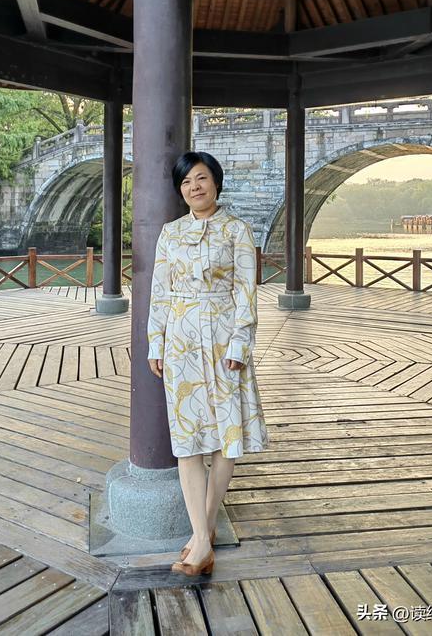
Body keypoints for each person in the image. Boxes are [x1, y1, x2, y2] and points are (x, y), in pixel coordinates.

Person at [147, 150, 268, 577]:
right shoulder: (170, 233)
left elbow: (246, 293)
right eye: (185, 182)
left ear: (216, 181)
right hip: (180, 342)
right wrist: (155, 343)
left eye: (200, 178)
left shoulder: (237, 230)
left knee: (222, 436)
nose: (194, 187)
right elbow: (160, 292)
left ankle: (203, 534)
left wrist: (240, 344)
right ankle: (202, 536)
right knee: (188, 440)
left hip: (222, 342)